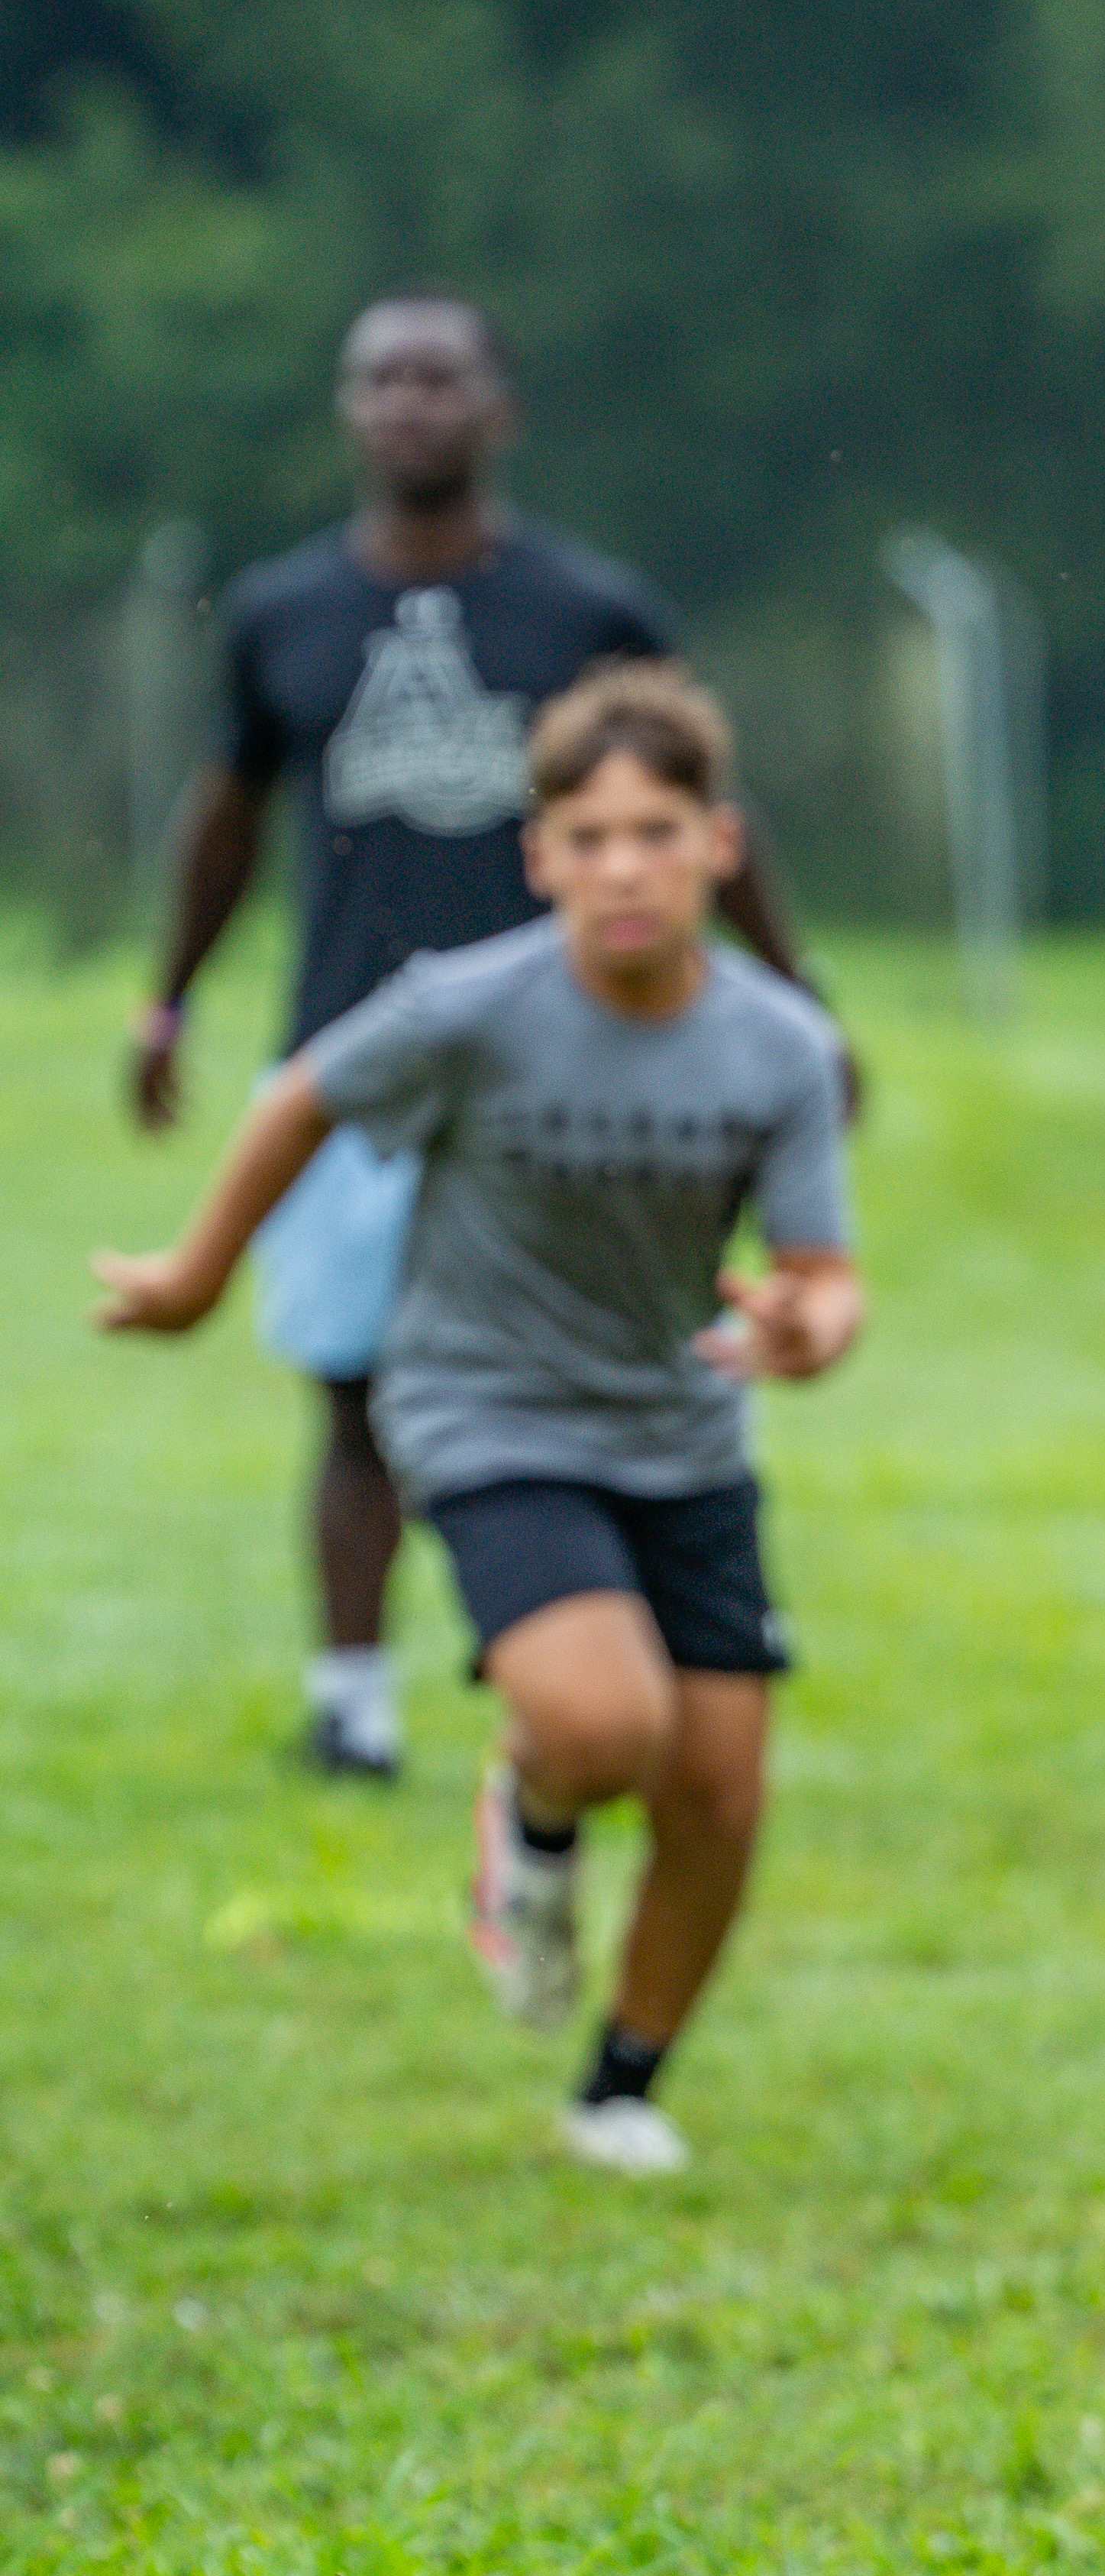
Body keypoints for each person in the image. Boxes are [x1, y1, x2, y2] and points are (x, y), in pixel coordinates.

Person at [97, 660, 861, 2180]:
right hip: (483, 1404)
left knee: (717, 1787)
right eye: (585, 836)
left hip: (681, 1428)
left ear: (719, 844)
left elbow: (825, 1276)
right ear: (539, 858)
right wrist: (193, 1276)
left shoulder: (780, 1046)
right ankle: (533, 1796)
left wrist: (803, 1326)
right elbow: (303, 1096)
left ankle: (618, 2084)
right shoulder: (467, 1008)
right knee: (603, 1719)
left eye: (656, 830)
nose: (621, 865)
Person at [127, 293, 825, 1782]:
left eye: (438, 377)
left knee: (578, 1367)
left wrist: (793, 985)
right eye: (379, 379)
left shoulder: (587, 612)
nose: (407, 403)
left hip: (559, 1059)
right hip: (356, 1053)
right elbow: (228, 815)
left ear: (497, 407)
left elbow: (710, 809)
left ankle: (593, 1640)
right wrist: (166, 994)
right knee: (354, 1388)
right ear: (347, 408)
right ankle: (354, 1695)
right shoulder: (281, 612)